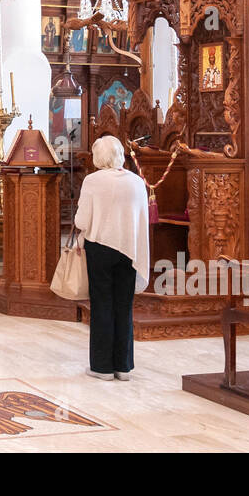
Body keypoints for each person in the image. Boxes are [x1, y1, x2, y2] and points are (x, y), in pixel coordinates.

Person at [72, 135, 150, 381]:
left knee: (102, 304)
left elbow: (81, 221)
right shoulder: (137, 182)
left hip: (101, 247)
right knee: (124, 306)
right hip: (129, 249)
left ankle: (102, 367)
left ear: (98, 157)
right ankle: (123, 367)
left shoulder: (92, 181)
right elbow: (142, 219)